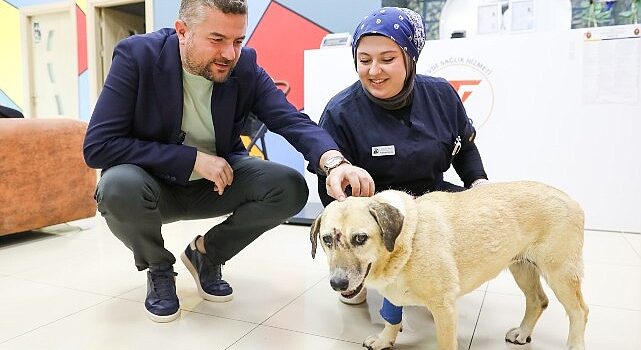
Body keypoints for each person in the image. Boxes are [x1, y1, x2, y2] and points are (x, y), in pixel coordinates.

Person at [83, 0, 374, 323]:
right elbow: (98, 146)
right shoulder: (137, 56)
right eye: (217, 40)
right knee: (116, 186)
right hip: (150, 187)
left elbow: (290, 120)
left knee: (289, 187)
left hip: (217, 184)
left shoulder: (243, 65)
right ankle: (159, 268)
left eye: (238, 41)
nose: (229, 54)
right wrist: (191, 158)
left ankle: (206, 255)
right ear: (183, 32)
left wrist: (334, 162)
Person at [316, 7, 489, 328]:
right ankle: (369, 274)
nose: (374, 70)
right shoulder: (341, 111)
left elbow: (465, 148)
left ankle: (432, 274)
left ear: (409, 58)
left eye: (387, 59)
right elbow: (331, 194)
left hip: (430, 202)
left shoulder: (441, 95)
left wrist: (479, 186)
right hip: (373, 212)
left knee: (476, 214)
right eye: (364, 60)